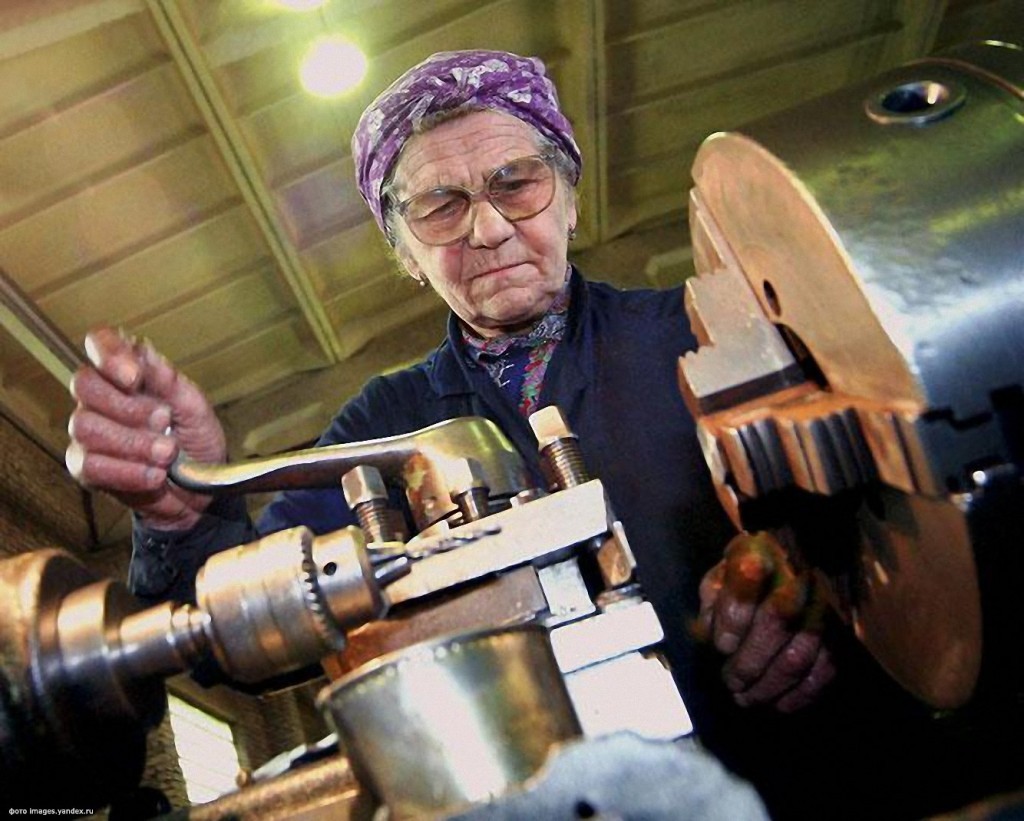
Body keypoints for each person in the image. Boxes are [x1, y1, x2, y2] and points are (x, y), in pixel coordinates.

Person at [64, 51, 1015, 820]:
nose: (485, 229)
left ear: (569, 196)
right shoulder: (376, 430)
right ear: (404, 252)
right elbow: (218, 638)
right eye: (439, 206)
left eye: (515, 182)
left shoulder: (703, 328)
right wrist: (182, 512)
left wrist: (816, 581)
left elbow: (918, 495)